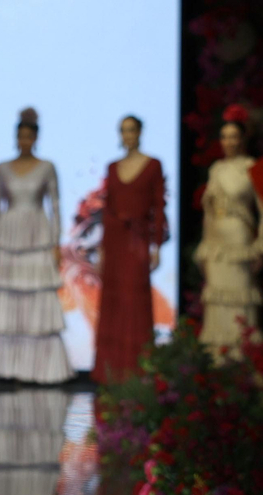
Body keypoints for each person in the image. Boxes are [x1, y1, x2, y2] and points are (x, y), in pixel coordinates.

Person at [0, 108, 70, 383]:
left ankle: (38, 370)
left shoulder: (47, 167)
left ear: (36, 138)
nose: (24, 141)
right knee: (11, 296)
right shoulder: (2, 168)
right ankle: (9, 369)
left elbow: (55, 205)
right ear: (15, 138)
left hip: (38, 236)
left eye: (29, 136)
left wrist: (55, 242)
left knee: (37, 296)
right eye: (20, 136)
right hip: (9, 237)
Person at [95, 115, 168, 384]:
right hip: (114, 242)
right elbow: (107, 209)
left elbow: (159, 206)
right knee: (114, 303)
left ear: (140, 132)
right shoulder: (112, 167)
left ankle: (138, 370)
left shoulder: (153, 165)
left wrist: (156, 244)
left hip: (137, 242)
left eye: (132, 130)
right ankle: (111, 370)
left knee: (135, 300)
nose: (128, 135)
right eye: (123, 131)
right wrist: (102, 251)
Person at [195, 110, 263, 352]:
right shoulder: (216, 169)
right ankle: (219, 362)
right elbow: (208, 213)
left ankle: (242, 361)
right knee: (216, 301)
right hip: (216, 244)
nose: (228, 141)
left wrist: (261, 244)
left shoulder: (251, 167)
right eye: (224, 136)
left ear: (242, 139)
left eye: (233, 136)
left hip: (240, 242)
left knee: (240, 300)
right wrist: (205, 249)